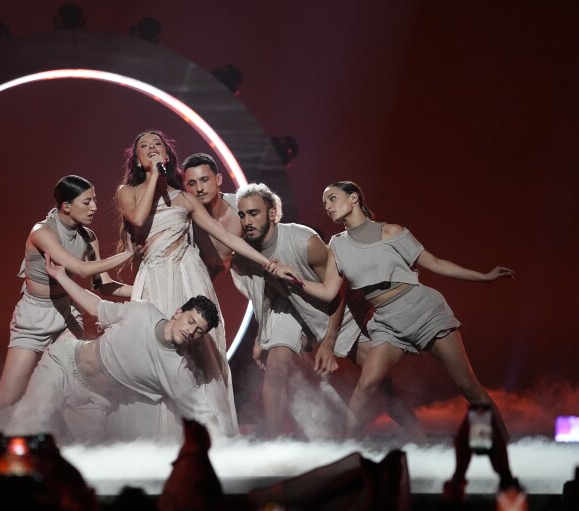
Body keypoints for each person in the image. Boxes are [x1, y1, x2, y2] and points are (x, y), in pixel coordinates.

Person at [276, 180, 514, 439]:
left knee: (469, 388)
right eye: (325, 204)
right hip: (387, 321)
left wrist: (483, 277)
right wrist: (293, 278)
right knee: (366, 386)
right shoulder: (336, 245)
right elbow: (329, 292)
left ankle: (499, 446)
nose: (328, 207)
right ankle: (346, 453)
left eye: (332, 198)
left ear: (354, 197)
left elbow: (435, 263)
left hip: (423, 309)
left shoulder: (391, 231)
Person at [114, 130, 300, 440]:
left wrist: (269, 264)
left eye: (157, 144)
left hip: (189, 274)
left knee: (199, 353)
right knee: (155, 351)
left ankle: (208, 434)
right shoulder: (128, 192)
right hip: (154, 278)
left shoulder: (185, 198)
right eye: (144, 147)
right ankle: (161, 436)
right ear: (137, 158)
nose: (152, 149)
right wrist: (154, 181)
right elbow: (137, 219)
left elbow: (226, 235)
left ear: (168, 154)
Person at [231, 183, 424, 439]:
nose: (247, 221)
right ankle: (273, 442)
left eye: (253, 213)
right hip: (290, 307)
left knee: (380, 382)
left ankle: (417, 436)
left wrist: (328, 342)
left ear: (272, 214)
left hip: (333, 310)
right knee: (276, 366)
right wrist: (260, 336)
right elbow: (265, 293)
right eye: (242, 215)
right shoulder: (246, 253)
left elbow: (338, 288)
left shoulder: (305, 241)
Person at [0, 175, 135, 432]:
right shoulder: (41, 233)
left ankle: (71, 448)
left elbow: (103, 283)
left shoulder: (88, 237)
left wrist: (148, 289)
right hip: (34, 315)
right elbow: (79, 268)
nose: (94, 208)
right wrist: (127, 254)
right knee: (6, 397)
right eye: (87, 202)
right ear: (66, 206)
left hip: (67, 315)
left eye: (95, 201)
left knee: (78, 387)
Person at [5, 254, 235, 443]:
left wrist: (226, 453)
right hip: (64, 365)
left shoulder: (176, 371)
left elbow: (204, 415)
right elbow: (96, 307)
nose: (191, 331)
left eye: (199, 331)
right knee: (26, 425)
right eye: (191, 321)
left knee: (93, 462)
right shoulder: (143, 312)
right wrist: (60, 277)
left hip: (94, 401)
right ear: (177, 313)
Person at [181, 153, 243, 279]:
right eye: (192, 183)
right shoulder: (184, 223)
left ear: (218, 179)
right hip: (201, 289)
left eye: (204, 180)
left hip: (243, 288)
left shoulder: (241, 209)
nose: (199, 188)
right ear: (186, 187)